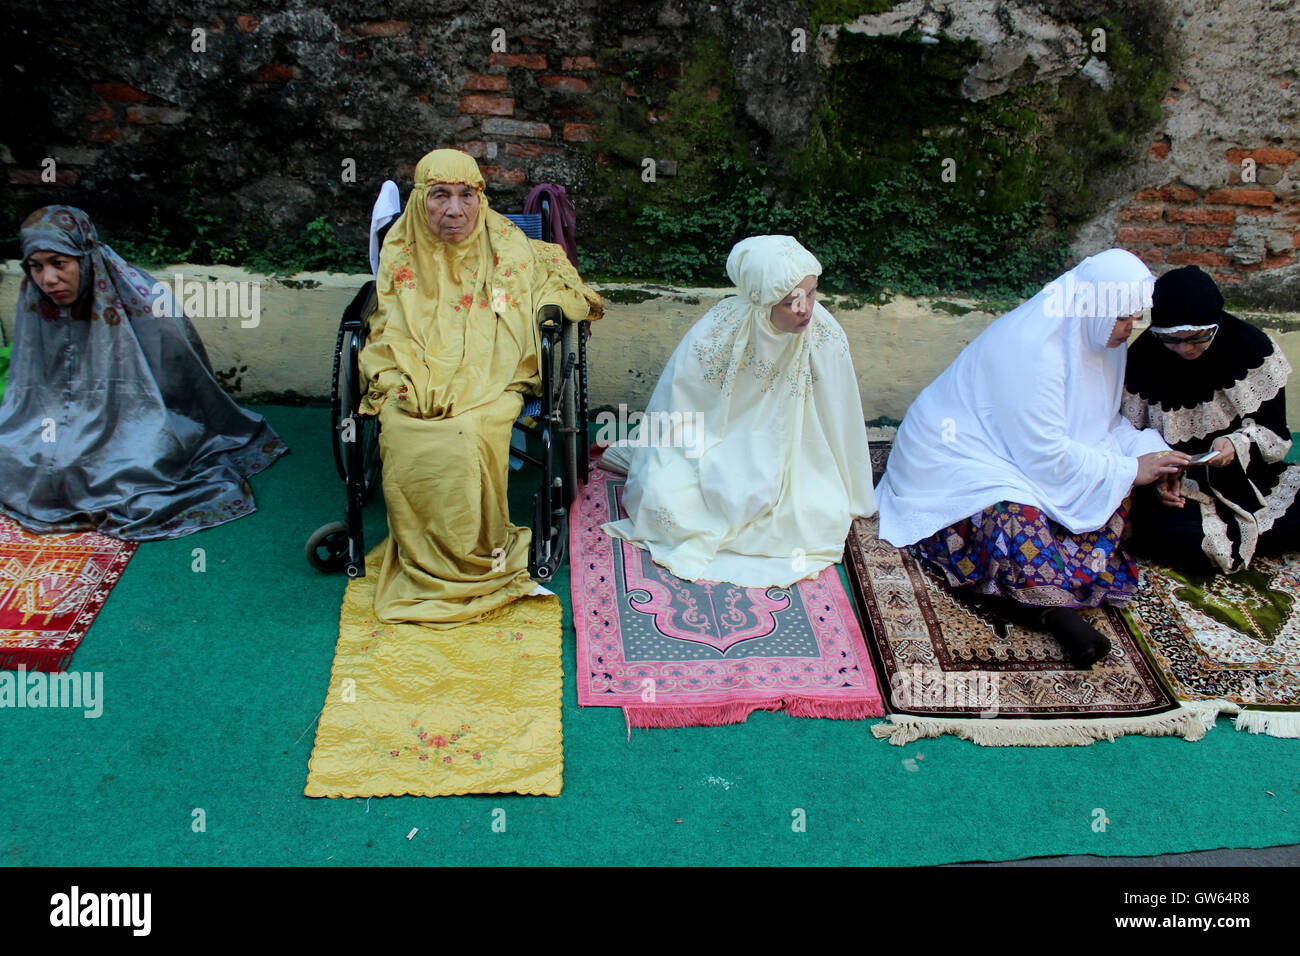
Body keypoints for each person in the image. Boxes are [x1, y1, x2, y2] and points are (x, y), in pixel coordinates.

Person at [875, 249, 1187, 667]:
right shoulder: (1032, 348)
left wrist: (1152, 455)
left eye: (1136, 317)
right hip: (959, 453)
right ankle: (1055, 613)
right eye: (1122, 317)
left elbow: (1100, 426)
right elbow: (1044, 456)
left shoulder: (1102, 338)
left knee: (1120, 495)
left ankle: (1037, 596)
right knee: (1013, 517)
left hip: (1028, 454)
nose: (1130, 329)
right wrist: (1131, 469)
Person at [358, 149, 602, 628]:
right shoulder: (400, 247)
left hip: (496, 370)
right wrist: (407, 372)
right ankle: (424, 557)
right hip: (417, 365)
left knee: (470, 429)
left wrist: (483, 361)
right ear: (419, 200)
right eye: (440, 196)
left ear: (480, 198)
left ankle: (478, 557)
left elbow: (531, 303)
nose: (454, 210)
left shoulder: (508, 245)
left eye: (466, 196)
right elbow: (388, 322)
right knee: (403, 423)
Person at [601, 234, 876, 587]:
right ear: (763, 303)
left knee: (814, 513)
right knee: (663, 496)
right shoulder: (718, 333)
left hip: (800, 451)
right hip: (715, 441)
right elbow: (685, 406)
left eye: (812, 292)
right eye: (792, 301)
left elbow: (840, 417)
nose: (806, 308)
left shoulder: (825, 334)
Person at [0, 205, 286, 539]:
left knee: (123, 471)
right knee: (18, 454)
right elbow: (34, 389)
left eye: (59, 263)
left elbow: (178, 388)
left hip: (140, 419)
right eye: (36, 267)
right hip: (60, 417)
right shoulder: (35, 299)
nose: (48, 279)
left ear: (86, 258)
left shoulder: (142, 300)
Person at [1123, 265, 1300, 571]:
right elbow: (1126, 433)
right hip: (1181, 490)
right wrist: (1159, 477)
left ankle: (1242, 537)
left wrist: (1236, 444)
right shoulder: (1142, 359)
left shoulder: (1251, 348)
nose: (1185, 348)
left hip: (1250, 478)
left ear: (1215, 324)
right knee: (1165, 530)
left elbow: (1276, 435)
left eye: (1196, 337)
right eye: (1172, 340)